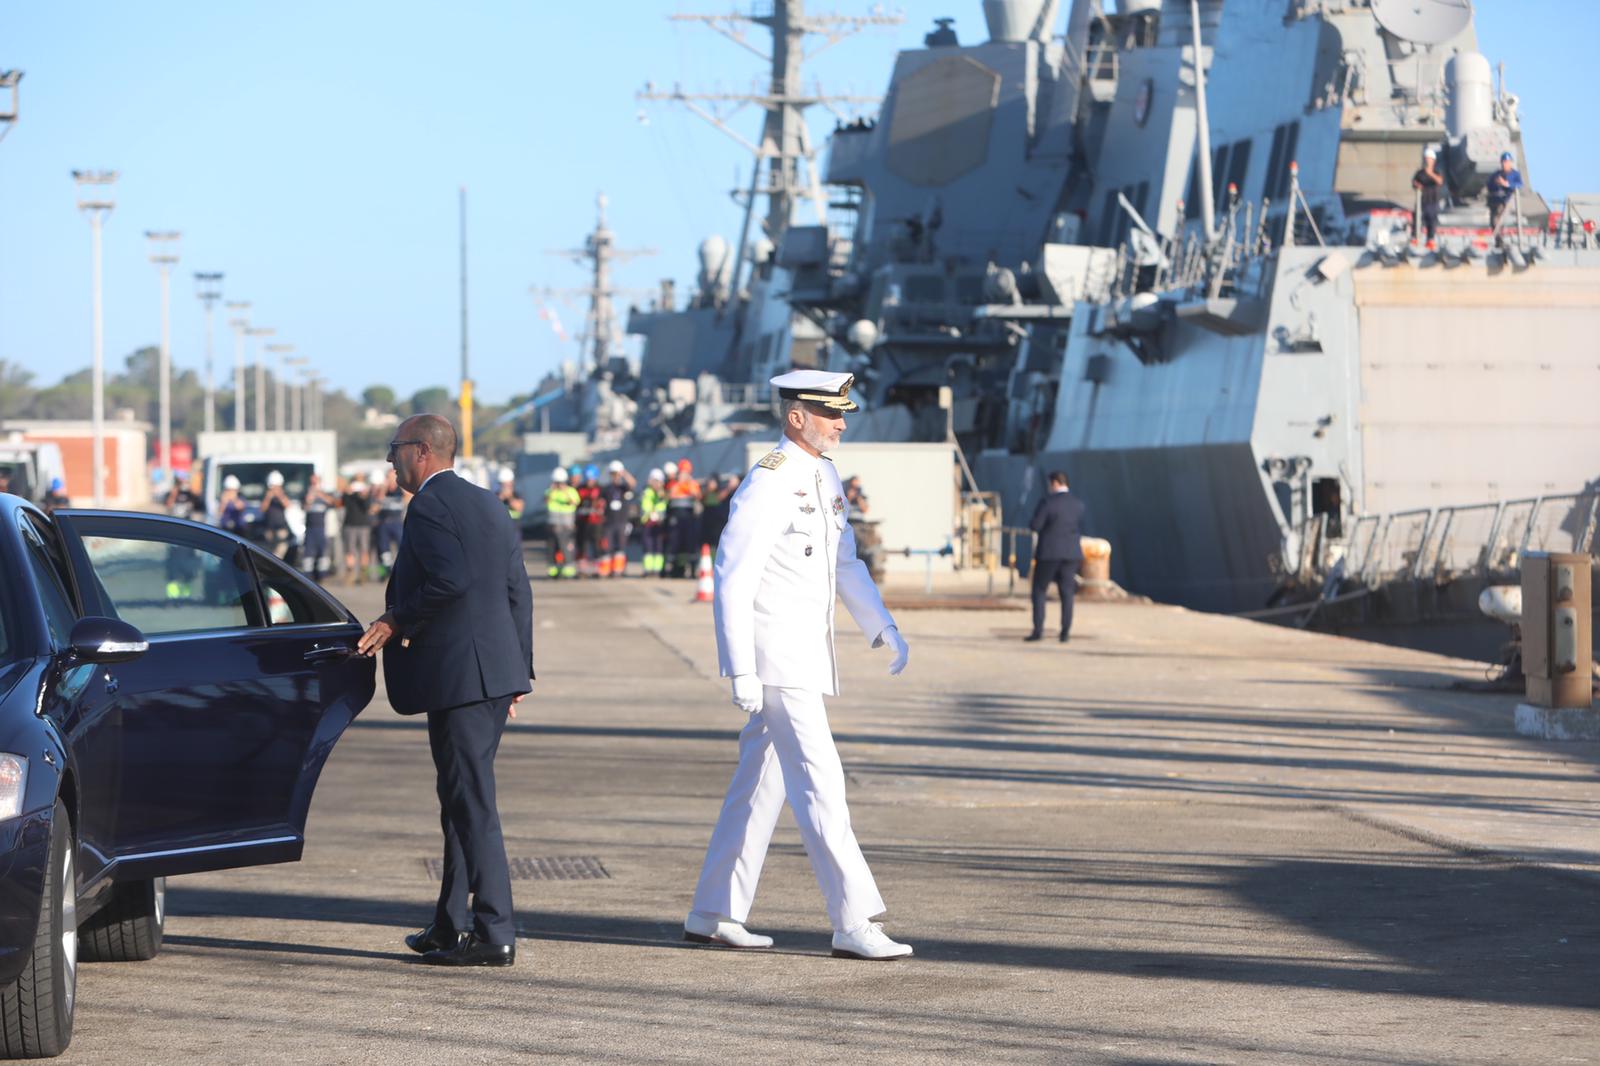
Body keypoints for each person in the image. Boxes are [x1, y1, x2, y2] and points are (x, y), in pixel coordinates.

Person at [685, 369, 914, 961]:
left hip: (805, 656)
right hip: (776, 661)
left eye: (843, 412)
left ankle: (714, 912)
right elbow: (732, 576)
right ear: (796, 417)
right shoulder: (770, 481)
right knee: (821, 784)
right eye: (830, 412)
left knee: (758, 788)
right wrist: (739, 667)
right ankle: (853, 920)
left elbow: (845, 564)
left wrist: (881, 624)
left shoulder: (824, 475)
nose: (841, 422)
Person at [356, 414, 533, 968]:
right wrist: (518, 670)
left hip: (462, 679)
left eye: (394, 450)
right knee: (458, 799)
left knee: (472, 803)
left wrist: (395, 620)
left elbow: (450, 581)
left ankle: (495, 931)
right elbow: (516, 590)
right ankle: (449, 922)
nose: (390, 461)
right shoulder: (488, 503)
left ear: (421, 452)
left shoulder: (429, 506)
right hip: (492, 676)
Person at [1026, 470, 1087, 643]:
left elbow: (1035, 525)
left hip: (1049, 554)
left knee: (1039, 591)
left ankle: (1038, 631)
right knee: (1067, 593)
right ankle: (1065, 633)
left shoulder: (1047, 502)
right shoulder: (1078, 504)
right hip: (1071, 554)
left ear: (1054, 483)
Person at [665, 459, 701, 577]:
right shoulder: (673, 483)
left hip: (688, 518)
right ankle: (676, 569)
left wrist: (688, 483)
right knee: (676, 544)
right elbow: (669, 495)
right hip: (675, 518)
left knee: (690, 544)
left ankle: (692, 569)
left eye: (686, 472)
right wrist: (678, 483)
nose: (683, 474)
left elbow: (697, 495)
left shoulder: (692, 483)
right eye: (682, 472)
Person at [599, 460, 635, 578]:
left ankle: (618, 570)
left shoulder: (624, 488)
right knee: (607, 548)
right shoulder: (606, 489)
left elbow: (633, 483)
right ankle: (605, 571)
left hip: (621, 522)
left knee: (620, 547)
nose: (615, 477)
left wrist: (623, 473)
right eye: (613, 474)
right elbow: (599, 502)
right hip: (609, 522)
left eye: (617, 474)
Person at [543, 467, 580, 579]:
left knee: (566, 548)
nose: (559, 484)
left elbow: (574, 502)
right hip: (553, 526)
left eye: (561, 482)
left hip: (566, 527)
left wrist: (564, 490)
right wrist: (552, 489)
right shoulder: (550, 492)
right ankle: (553, 569)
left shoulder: (571, 491)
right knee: (552, 548)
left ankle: (568, 569)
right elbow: (546, 501)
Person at [341, 477, 375, 584]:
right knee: (350, 550)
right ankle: (350, 574)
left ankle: (363, 575)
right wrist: (347, 493)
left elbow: (367, 507)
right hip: (350, 524)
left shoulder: (366, 494)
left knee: (364, 550)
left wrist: (364, 496)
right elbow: (344, 503)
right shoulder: (348, 494)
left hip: (363, 525)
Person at [374, 469, 408, 575]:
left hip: (397, 522)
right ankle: (386, 571)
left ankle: (402, 570)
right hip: (384, 522)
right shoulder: (382, 490)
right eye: (389, 477)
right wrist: (384, 487)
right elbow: (377, 502)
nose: (391, 479)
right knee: (383, 549)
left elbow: (408, 497)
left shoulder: (400, 490)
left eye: (393, 477)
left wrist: (400, 484)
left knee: (401, 547)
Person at [301, 473, 335, 582]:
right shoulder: (306, 493)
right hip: (310, 528)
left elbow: (333, 502)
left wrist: (319, 494)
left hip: (322, 528)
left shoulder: (324, 493)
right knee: (308, 553)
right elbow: (304, 507)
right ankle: (308, 576)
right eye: (312, 482)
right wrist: (310, 497)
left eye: (315, 481)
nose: (313, 484)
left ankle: (322, 575)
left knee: (323, 552)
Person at [1412, 147, 1445, 248]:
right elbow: (1414, 182)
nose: (1427, 161)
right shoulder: (1420, 173)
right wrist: (1417, 185)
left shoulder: (1437, 171)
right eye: (1426, 159)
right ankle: (1415, 237)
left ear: (1433, 161)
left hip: (1433, 200)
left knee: (1431, 219)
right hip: (1422, 200)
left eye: (1429, 159)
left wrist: (1430, 174)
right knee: (1417, 218)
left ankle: (1430, 239)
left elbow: (1440, 181)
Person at [638, 468, 668, 576]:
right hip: (648, 523)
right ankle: (648, 569)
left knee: (658, 547)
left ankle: (657, 570)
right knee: (648, 546)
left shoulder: (662, 494)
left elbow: (663, 506)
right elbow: (644, 507)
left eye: (658, 481)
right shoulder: (646, 492)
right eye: (654, 481)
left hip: (659, 524)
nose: (656, 484)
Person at [1487, 150, 1523, 232]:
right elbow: (1489, 185)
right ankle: (1498, 239)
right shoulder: (1496, 174)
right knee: (1493, 221)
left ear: (1510, 163)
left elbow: (1520, 184)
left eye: (1507, 162)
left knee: (1497, 220)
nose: (1505, 164)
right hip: (1495, 200)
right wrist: (1496, 183)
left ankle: (1499, 238)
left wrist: (1507, 184)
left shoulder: (1515, 174)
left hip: (1506, 200)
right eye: (1503, 162)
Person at [261, 470, 293, 558]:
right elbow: (262, 509)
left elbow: (288, 505)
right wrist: (268, 497)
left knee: (280, 551)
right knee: (269, 551)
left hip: (281, 527)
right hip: (269, 528)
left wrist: (280, 495)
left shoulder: (283, 494)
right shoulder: (266, 495)